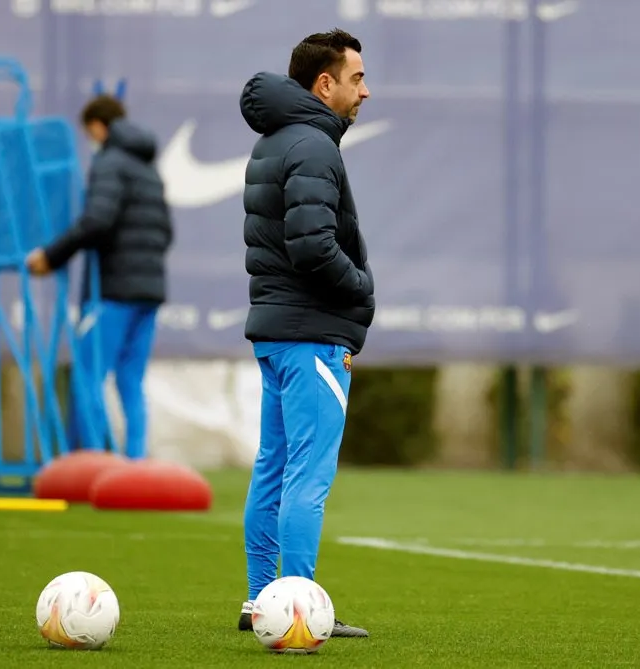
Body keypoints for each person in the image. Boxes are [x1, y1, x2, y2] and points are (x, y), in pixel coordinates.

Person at [236, 29, 375, 638]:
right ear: (325, 84)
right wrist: (363, 290)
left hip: (277, 332)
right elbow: (313, 246)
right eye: (357, 78)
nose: (366, 90)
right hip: (311, 334)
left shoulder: (274, 140)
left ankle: (259, 600)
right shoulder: (315, 146)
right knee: (306, 476)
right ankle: (297, 610)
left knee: (273, 467)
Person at [26, 95, 173, 460]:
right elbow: (165, 232)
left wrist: (50, 255)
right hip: (150, 290)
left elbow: (96, 221)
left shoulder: (109, 162)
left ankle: (93, 461)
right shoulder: (148, 168)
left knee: (88, 375)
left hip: (113, 291)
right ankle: (135, 463)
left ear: (96, 126)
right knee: (131, 381)